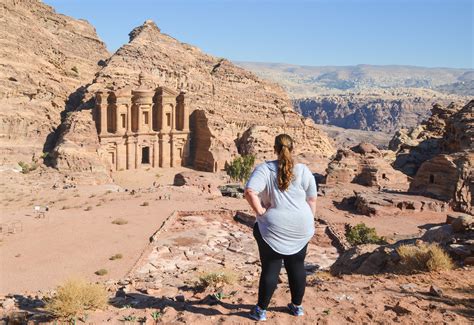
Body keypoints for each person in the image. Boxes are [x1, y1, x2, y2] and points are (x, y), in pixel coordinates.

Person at [244, 134, 317, 321]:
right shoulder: (303, 170)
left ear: (275, 149)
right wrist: (308, 219)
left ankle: (260, 311)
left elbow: (250, 191)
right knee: (297, 265)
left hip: (274, 227)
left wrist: (260, 211)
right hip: (302, 225)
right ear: (293, 149)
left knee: (270, 267)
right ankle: (297, 307)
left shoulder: (265, 169)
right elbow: (311, 199)